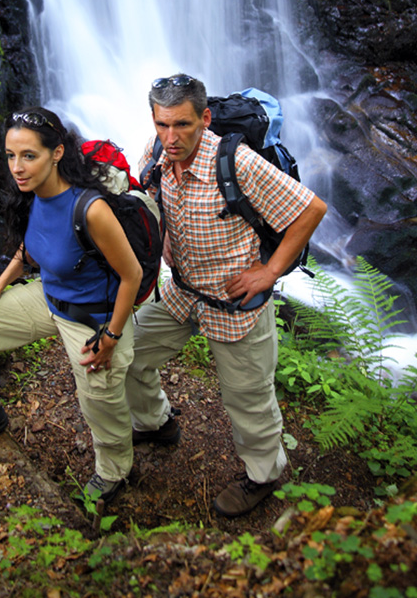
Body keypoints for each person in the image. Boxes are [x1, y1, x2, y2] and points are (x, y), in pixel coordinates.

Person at [126, 74, 327, 517]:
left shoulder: (237, 164)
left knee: (248, 400)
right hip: (181, 292)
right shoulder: (157, 153)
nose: (171, 137)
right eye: (162, 124)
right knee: (129, 355)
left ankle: (264, 475)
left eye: (182, 125)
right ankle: (157, 423)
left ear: (206, 118)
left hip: (237, 307)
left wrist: (270, 272)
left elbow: (310, 210)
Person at [0, 107, 142, 505]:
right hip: (47, 298)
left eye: (29, 155)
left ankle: (115, 471)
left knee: (100, 399)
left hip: (94, 316)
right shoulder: (30, 195)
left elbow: (131, 275)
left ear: (57, 153)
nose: (17, 167)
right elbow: (30, 246)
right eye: (11, 156)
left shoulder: (91, 209)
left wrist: (112, 337)